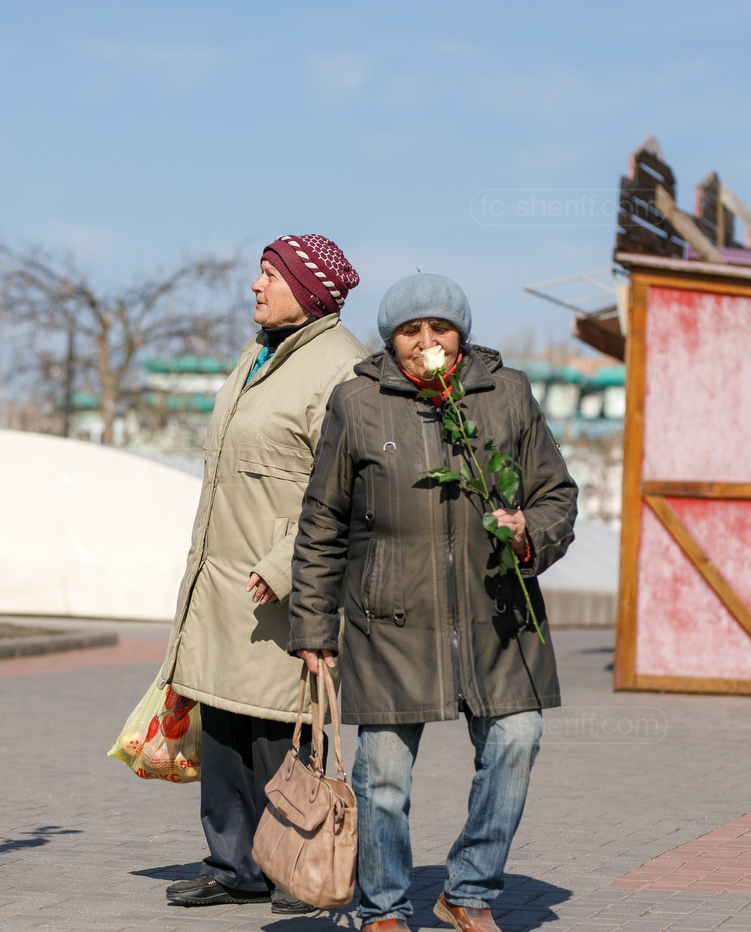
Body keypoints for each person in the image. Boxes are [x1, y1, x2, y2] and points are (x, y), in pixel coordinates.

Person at [288, 272, 578, 932]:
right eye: (410, 331)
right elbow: (322, 520)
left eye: (440, 328)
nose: (427, 341)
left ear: (460, 335)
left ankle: (469, 889)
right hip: (389, 623)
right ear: (390, 340)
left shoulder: (508, 393)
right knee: (383, 778)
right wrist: (313, 626)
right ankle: (383, 906)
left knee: (518, 738)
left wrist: (529, 533)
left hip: (496, 616)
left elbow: (556, 493)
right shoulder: (356, 402)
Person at [160, 235, 367, 914]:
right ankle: (234, 866)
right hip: (224, 579)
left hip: (285, 582)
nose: (256, 285)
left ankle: (294, 867)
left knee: (281, 728)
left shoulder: (343, 368)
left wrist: (286, 564)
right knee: (224, 726)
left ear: (307, 292)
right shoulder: (258, 352)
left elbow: (347, 486)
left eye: (271, 276)